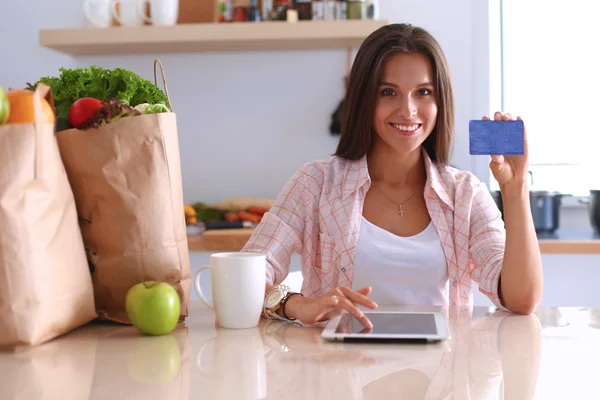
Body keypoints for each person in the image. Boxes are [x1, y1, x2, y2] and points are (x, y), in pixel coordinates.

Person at [242, 23, 543, 329]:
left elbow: (521, 300)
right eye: (388, 92)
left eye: (423, 92)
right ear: (364, 100)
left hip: (442, 373)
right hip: (338, 371)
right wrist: (294, 304)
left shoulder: (464, 194)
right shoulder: (315, 183)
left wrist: (515, 188)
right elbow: (242, 278)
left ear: (440, 103)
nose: (408, 110)